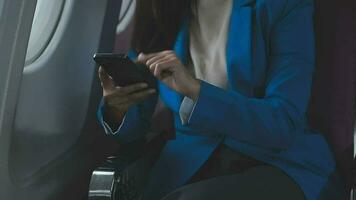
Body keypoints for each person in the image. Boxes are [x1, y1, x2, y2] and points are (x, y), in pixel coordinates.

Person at [97, 0, 344, 199]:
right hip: (190, 161)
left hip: (276, 161)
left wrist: (196, 90)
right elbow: (134, 130)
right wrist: (117, 109)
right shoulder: (162, 9)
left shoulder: (283, 5)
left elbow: (283, 124)